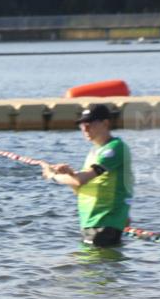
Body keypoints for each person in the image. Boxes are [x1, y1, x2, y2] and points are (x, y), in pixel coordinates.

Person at [42, 104, 133, 247]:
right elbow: (80, 188)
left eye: (89, 123)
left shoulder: (114, 148)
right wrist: (69, 173)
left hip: (103, 224)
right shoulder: (94, 152)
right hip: (91, 224)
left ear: (105, 123)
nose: (85, 129)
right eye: (82, 125)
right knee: (88, 266)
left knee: (92, 267)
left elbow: (81, 180)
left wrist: (52, 176)